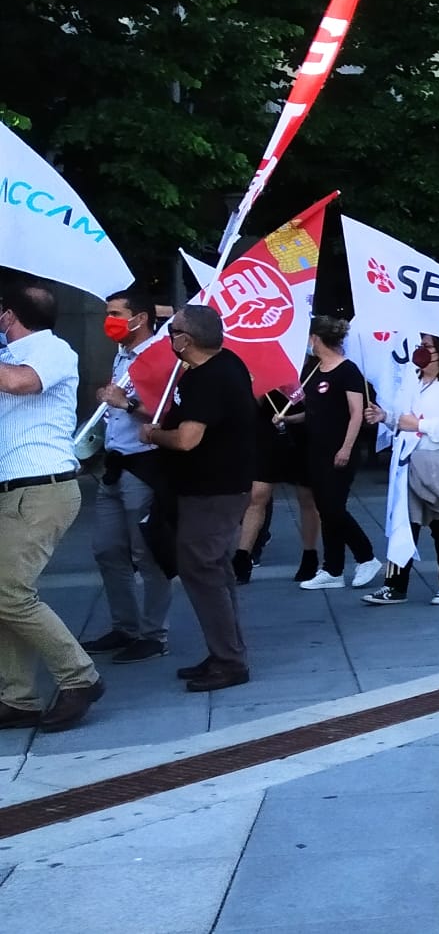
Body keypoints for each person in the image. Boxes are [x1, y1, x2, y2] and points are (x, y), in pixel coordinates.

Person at [0, 282, 103, 729]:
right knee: (5, 594)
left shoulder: (52, 350)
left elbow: (23, 384)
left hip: (41, 487)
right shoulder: (9, 357)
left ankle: (79, 676)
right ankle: (17, 697)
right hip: (18, 489)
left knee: (9, 591)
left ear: (9, 316)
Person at [138, 303, 256, 693]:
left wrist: (155, 435)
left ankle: (228, 660)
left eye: (172, 331)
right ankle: (225, 650)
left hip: (213, 490)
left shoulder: (206, 378)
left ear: (186, 340)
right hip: (217, 486)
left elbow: (188, 439)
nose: (168, 337)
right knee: (215, 572)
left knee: (202, 570)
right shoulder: (227, 364)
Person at [80, 288, 174, 663]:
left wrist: (126, 403)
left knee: (146, 552)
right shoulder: (123, 357)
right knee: (107, 548)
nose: (111, 321)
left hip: (144, 465)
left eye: (117, 313)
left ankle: (154, 634)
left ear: (141, 318)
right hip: (115, 464)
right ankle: (125, 626)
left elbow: (165, 411)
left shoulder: (160, 356)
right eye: (108, 313)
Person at [363, 336, 439, 605]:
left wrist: (421, 425)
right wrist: (386, 418)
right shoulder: (412, 380)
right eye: (420, 345)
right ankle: (394, 584)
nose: (421, 351)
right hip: (408, 461)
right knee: (402, 524)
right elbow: (403, 418)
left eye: (428, 347)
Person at [287, 318, 378, 590]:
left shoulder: (347, 371)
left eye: (307, 337)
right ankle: (333, 569)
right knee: (326, 509)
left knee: (333, 508)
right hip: (315, 449)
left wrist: (347, 448)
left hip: (339, 450)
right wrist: (288, 420)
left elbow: (355, 413)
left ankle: (366, 556)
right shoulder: (314, 371)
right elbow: (315, 411)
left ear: (316, 338)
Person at [238, 388, 321, 584]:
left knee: (306, 497)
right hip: (267, 431)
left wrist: (295, 396)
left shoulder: (309, 368)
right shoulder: (260, 368)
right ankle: (242, 558)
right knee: (258, 494)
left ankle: (310, 555)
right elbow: (251, 404)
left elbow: (317, 405)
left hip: (302, 434)